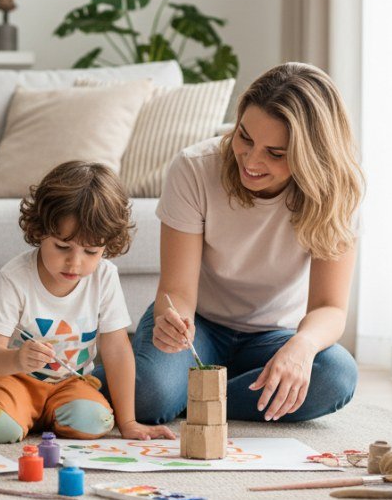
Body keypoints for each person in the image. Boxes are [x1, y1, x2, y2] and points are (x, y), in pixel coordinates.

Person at [132, 62, 363, 425]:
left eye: (275, 153)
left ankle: (195, 397)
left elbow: (330, 308)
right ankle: (158, 387)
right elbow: (176, 290)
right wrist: (170, 319)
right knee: (150, 400)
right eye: (245, 137)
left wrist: (300, 349)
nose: (252, 161)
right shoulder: (195, 169)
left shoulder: (336, 193)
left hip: (274, 337)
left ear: (311, 155)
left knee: (335, 375)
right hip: (201, 328)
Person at [0, 161, 176, 443]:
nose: (75, 262)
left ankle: (36, 417)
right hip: (12, 378)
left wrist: (128, 422)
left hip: (68, 385)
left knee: (94, 423)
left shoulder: (104, 277)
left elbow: (117, 350)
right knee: (0, 427)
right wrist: (18, 359)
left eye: (91, 251)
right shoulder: (15, 278)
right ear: (41, 230)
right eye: (62, 246)